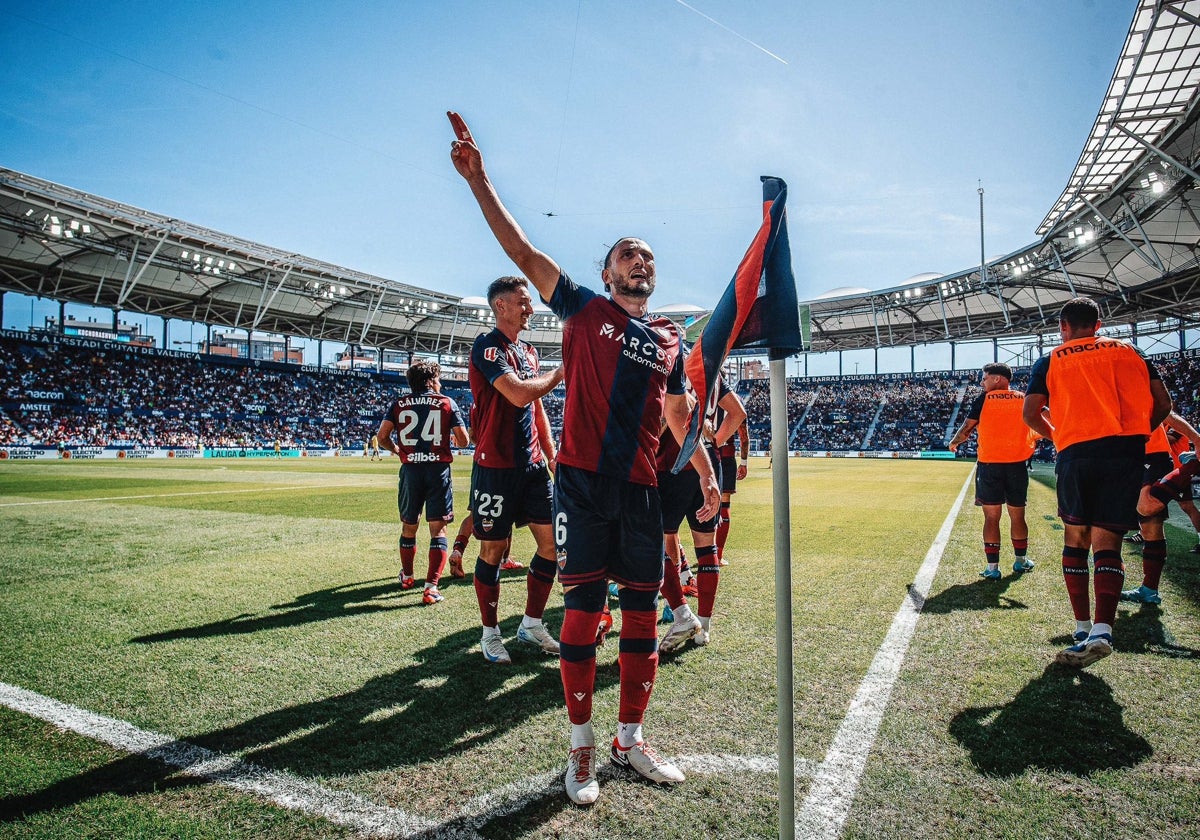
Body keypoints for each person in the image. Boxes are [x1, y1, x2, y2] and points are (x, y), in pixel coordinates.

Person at [450, 111, 720, 806]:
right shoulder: (580, 307)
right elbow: (522, 248)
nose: (641, 262)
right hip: (579, 486)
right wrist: (480, 182)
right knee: (582, 612)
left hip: (640, 491)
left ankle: (630, 740)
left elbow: (679, 412)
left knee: (639, 615)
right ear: (607, 272)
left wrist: (707, 472)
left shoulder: (666, 338)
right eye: (629, 254)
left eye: (649, 257)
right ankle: (581, 749)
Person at [1023, 297, 1171, 668]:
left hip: (1077, 453)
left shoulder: (1051, 359)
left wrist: (1059, 436)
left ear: (1063, 326)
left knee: (1076, 538)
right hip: (1125, 454)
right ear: (1098, 324)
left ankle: (1081, 627)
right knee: (1109, 542)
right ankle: (1103, 629)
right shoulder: (1132, 352)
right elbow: (1164, 403)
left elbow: (1030, 412)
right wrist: (1138, 434)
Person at [467, 275, 565, 663]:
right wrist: (559, 375)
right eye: (523, 302)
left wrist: (552, 453)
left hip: (533, 466)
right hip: (495, 467)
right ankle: (490, 633)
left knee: (553, 546)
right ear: (500, 306)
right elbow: (519, 393)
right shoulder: (487, 348)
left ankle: (531, 624)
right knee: (492, 550)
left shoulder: (528, 353)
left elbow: (535, 408)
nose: (531, 308)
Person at [377, 359, 469, 605]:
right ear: (430, 381)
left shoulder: (398, 404)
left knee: (409, 527)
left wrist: (397, 449)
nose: (440, 384)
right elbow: (463, 441)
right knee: (438, 529)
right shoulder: (447, 403)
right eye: (438, 379)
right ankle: (430, 588)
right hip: (437, 471)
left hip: (410, 471)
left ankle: (407, 577)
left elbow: (382, 437)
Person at [948, 363, 1039, 579]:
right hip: (1017, 465)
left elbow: (967, 428)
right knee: (1018, 516)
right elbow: (1044, 419)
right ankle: (1020, 561)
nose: (982, 383)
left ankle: (992, 568)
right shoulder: (1023, 397)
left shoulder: (983, 399)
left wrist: (954, 442)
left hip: (990, 466)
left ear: (997, 379)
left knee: (991, 517)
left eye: (985, 378)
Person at [1119, 412, 1200, 606]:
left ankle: (1193, 466)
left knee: (1146, 507)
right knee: (1149, 527)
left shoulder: (1138, 387)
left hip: (1152, 454)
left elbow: (1167, 412)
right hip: (1133, 458)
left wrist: (1197, 439)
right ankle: (1149, 590)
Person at [712, 381, 748, 566]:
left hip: (705, 453)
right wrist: (744, 462)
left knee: (702, 504)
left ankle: (702, 554)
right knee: (724, 505)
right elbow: (744, 437)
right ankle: (717, 555)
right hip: (726, 456)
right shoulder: (737, 401)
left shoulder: (704, 394)